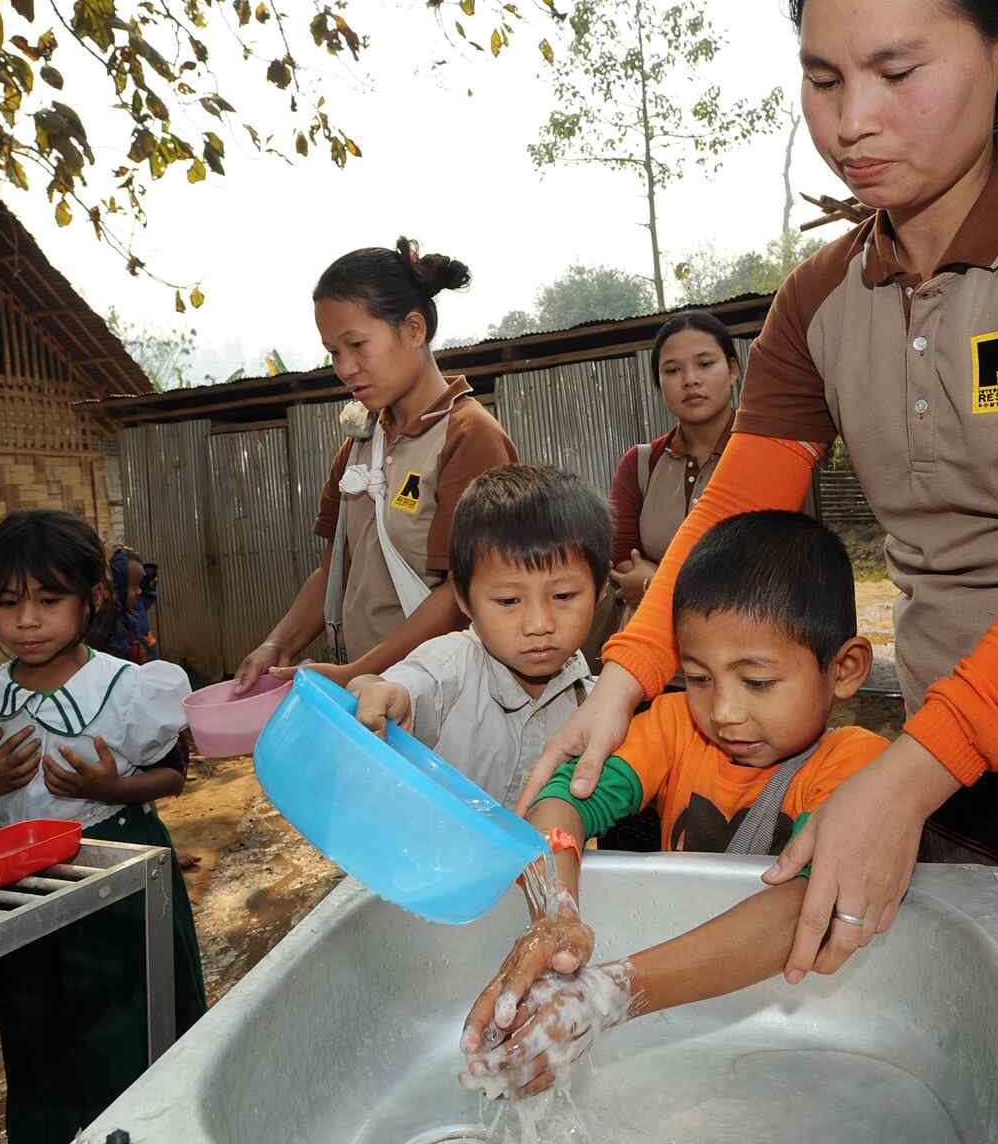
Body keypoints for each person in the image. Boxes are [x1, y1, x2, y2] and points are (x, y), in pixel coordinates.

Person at [517, 0, 998, 991]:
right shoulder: (816, 302)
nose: (850, 123)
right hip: (958, 762)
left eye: (895, 71)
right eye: (822, 79)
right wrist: (619, 679)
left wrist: (901, 774)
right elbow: (734, 507)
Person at [460, 511, 886, 1097]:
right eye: (699, 678)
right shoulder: (674, 728)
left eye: (757, 682)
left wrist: (608, 993)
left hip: (790, 1022)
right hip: (676, 1012)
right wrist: (555, 911)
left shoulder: (856, 768)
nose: (725, 712)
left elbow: (809, 909)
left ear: (845, 669)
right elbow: (566, 802)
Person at [0, 510, 207, 1144]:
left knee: (137, 1025)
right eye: (7, 603)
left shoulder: (126, 688)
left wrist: (110, 787)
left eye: (49, 601)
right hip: (23, 890)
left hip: (123, 881)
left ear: (94, 599)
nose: (26, 621)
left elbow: (172, 775)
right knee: (39, 1033)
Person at [234, 238, 516, 693]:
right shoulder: (360, 443)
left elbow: (463, 592)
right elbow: (336, 570)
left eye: (357, 344)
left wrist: (357, 672)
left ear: (413, 330)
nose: (344, 367)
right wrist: (277, 644)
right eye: (333, 352)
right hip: (370, 694)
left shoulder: (469, 436)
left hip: (444, 694)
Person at [346, 465, 610, 809]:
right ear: (464, 598)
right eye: (508, 601)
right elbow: (407, 686)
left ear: (601, 590)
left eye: (563, 596)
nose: (539, 624)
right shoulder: (449, 666)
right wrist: (376, 690)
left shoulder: (595, 700)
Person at [605, 311, 740, 620]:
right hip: (651, 639)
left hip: (742, 642)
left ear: (732, 370)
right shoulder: (640, 464)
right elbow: (622, 556)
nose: (690, 379)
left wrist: (656, 585)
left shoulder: (763, 454)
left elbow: (768, 564)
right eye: (672, 370)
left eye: (705, 364)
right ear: (660, 384)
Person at [87, 546, 159, 664]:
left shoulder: (135, 610)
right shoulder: (111, 628)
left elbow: (147, 593)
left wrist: (132, 557)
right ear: (116, 589)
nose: (140, 591)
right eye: (135, 586)